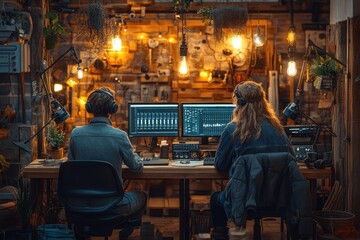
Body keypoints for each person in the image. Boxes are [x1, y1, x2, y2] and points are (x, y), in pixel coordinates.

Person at [210, 80, 294, 239]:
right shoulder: (278, 129)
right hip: (278, 199)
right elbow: (291, 161)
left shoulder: (232, 130)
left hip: (243, 200)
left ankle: (221, 234)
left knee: (215, 199)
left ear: (239, 103)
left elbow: (220, 165)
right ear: (263, 102)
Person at [67, 87, 147, 240]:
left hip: (79, 205)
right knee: (142, 196)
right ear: (113, 109)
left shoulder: (76, 134)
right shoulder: (120, 136)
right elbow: (136, 168)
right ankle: (123, 235)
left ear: (89, 108)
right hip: (113, 206)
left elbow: (72, 166)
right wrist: (135, 155)